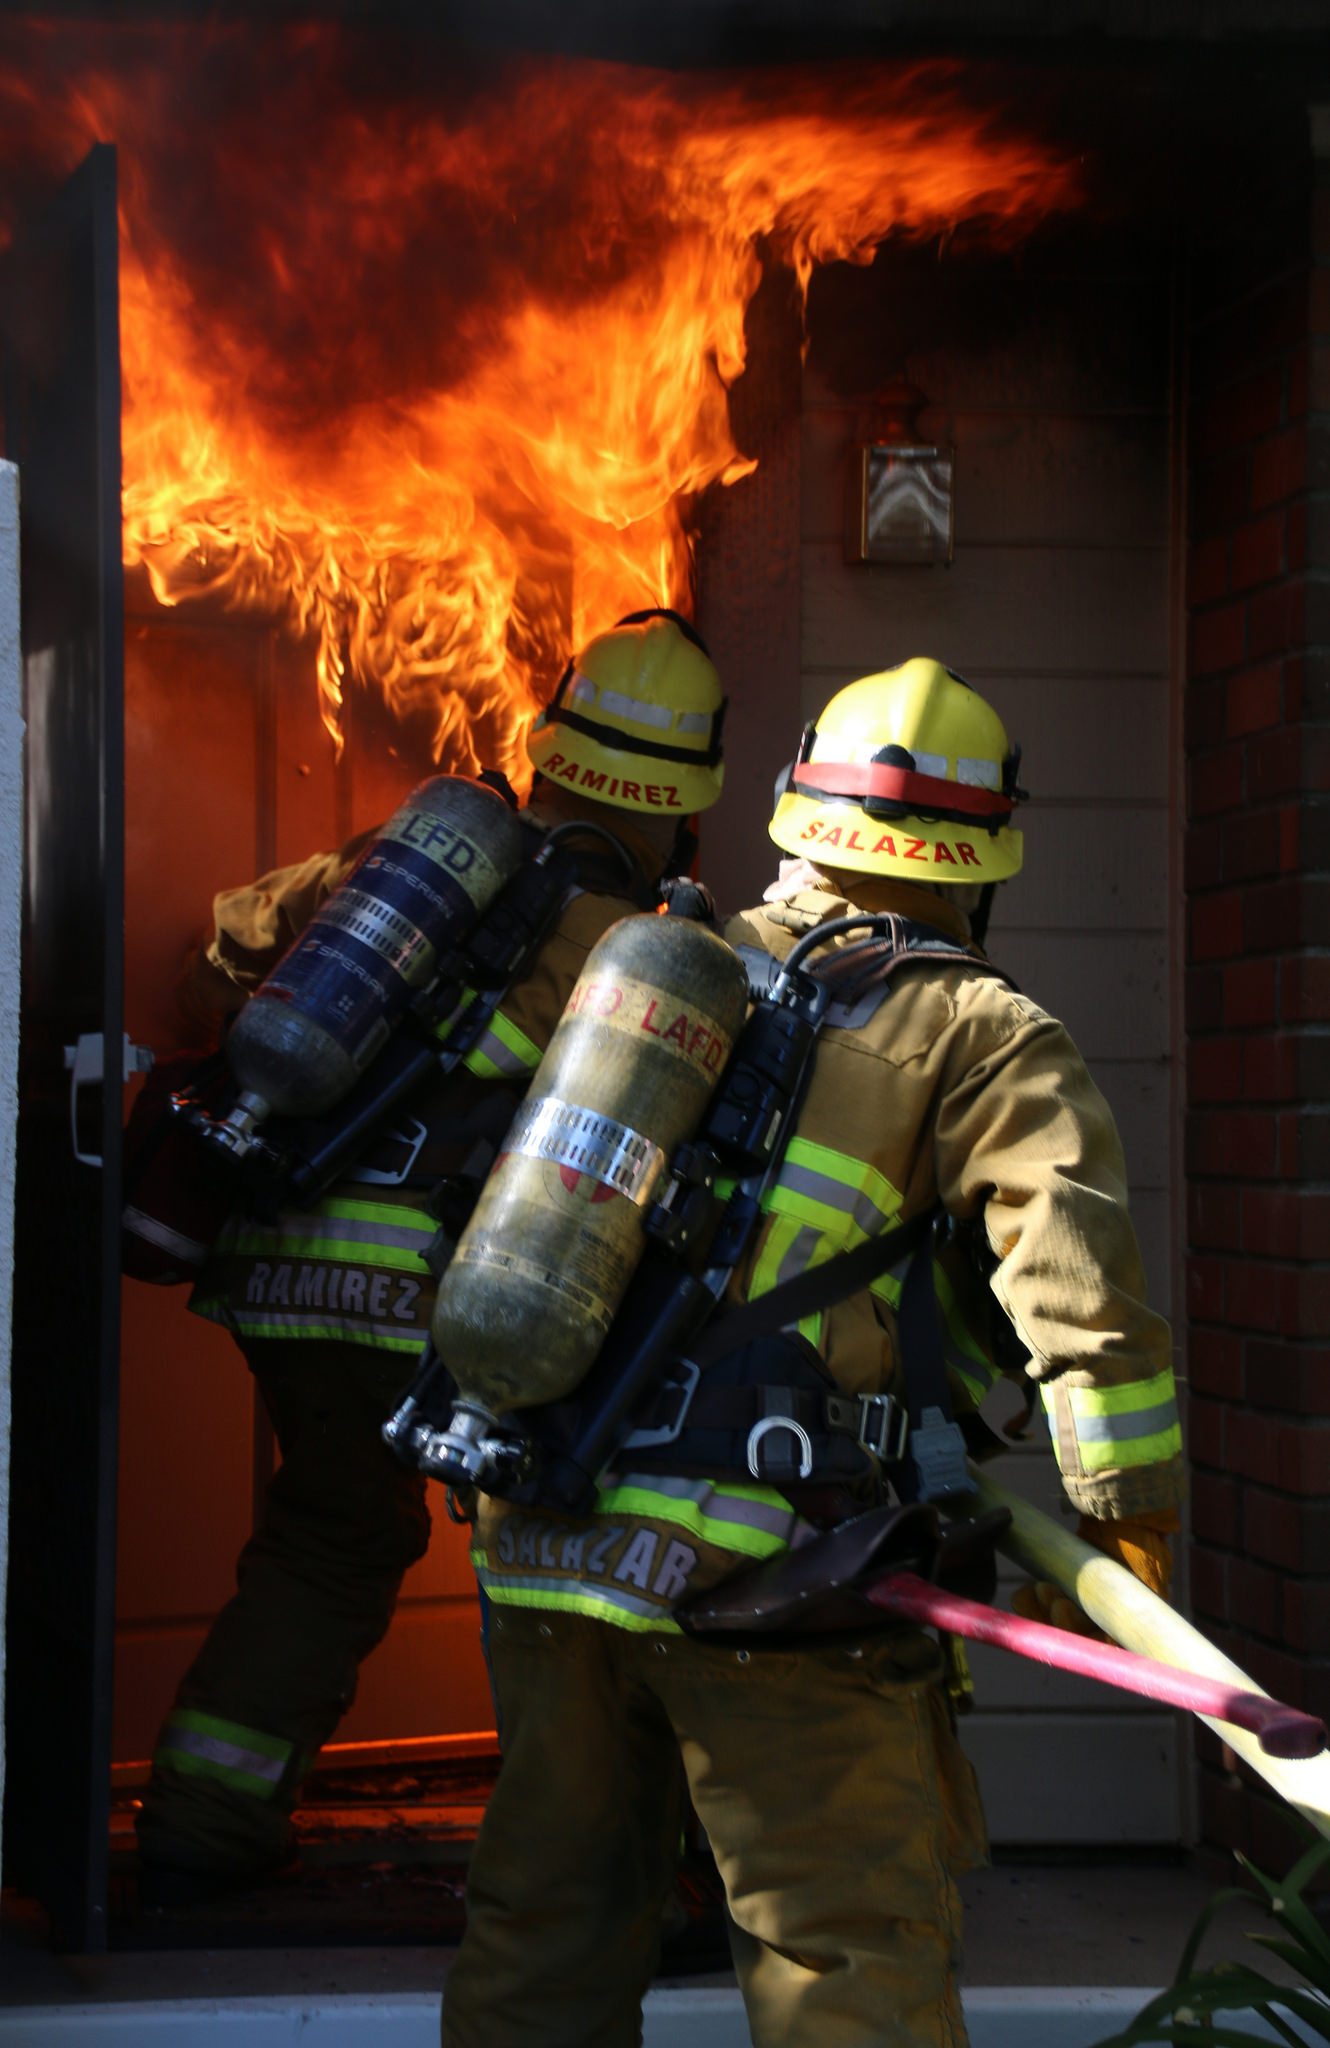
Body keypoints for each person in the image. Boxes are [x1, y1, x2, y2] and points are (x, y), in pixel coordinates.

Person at [440, 657, 1183, 2048]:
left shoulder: (655, 969)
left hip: (550, 1541)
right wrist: (1121, 1530)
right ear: (982, 858)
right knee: (841, 1957)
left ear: (792, 810)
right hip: (773, 1572)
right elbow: (1082, 1312)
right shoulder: (985, 1032)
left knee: (544, 1929)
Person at [134, 608, 728, 1904]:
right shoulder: (636, 956)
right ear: (687, 805)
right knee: (545, 1566)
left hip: (284, 1271)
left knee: (331, 1534)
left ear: (552, 750)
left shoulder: (406, 869)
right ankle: (572, 1870)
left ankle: (203, 1820)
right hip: (453, 1300)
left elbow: (224, 956)